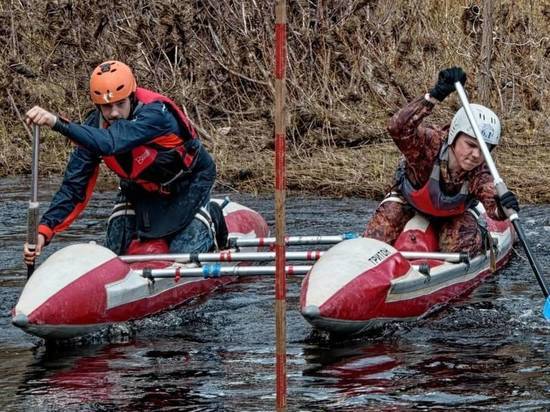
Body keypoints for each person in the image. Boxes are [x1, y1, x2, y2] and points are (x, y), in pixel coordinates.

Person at [24, 60, 217, 265]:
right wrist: (43, 232)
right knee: (115, 250)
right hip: (140, 191)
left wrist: (56, 122)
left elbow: (111, 142)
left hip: (188, 185)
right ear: (98, 105)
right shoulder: (93, 128)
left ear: (132, 97)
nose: (114, 113)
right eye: (107, 106)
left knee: (182, 254)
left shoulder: (156, 115)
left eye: (120, 104)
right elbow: (74, 188)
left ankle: (213, 218)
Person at [364, 67, 519, 255]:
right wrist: (434, 96)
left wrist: (503, 205)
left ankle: (481, 237)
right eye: (470, 145)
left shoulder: (481, 170)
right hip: (408, 203)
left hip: (453, 214)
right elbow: (397, 127)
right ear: (454, 136)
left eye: (485, 149)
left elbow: (493, 207)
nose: (476, 155)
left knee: (461, 247)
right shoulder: (430, 143)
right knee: (375, 239)